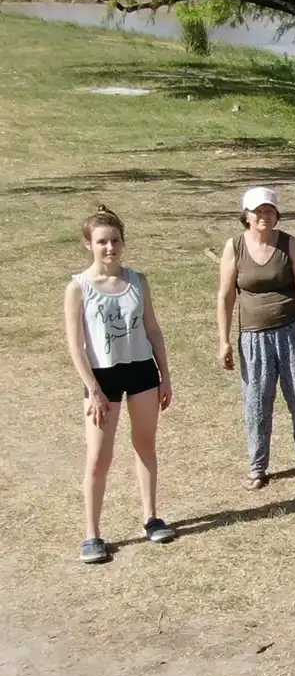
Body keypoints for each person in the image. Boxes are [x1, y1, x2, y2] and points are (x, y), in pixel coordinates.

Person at [63, 206, 176, 563]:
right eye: (102, 242)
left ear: (123, 242)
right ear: (88, 245)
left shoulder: (137, 281)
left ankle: (151, 517)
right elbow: (75, 345)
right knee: (98, 457)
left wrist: (165, 375)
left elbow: (153, 330)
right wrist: (93, 389)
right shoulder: (78, 287)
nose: (109, 248)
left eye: (115, 241)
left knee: (145, 445)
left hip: (141, 370)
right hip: (103, 376)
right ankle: (92, 534)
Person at [217, 187, 295, 490]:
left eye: (269, 210)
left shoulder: (288, 244)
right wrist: (224, 340)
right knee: (257, 402)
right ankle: (257, 467)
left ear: (276, 214)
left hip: (293, 331)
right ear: (246, 216)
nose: (263, 216)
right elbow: (226, 295)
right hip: (253, 337)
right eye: (257, 211)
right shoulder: (234, 247)